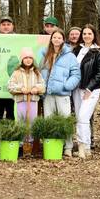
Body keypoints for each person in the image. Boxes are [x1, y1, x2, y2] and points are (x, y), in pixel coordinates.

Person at [40, 28, 81, 157]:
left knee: (65, 120)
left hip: (62, 94)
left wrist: (67, 86)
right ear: (51, 39)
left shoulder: (70, 55)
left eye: (59, 37)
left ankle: (68, 147)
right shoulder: (45, 54)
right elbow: (40, 71)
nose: (56, 39)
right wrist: (42, 87)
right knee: (49, 120)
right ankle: (52, 145)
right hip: (48, 94)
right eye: (54, 37)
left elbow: (76, 74)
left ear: (63, 39)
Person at [72, 24, 100, 158]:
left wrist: (89, 88)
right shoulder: (76, 50)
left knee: (83, 117)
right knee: (79, 118)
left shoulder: (98, 52)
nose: (87, 36)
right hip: (76, 88)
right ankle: (83, 147)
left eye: (89, 34)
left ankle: (84, 146)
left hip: (91, 90)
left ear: (94, 36)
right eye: (84, 34)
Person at [8, 47, 45, 136]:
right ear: (22, 59)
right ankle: (20, 144)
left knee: (31, 122)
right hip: (21, 101)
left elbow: (43, 85)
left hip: (32, 101)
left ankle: (30, 143)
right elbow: (10, 86)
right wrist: (20, 89)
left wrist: (36, 89)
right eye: (26, 58)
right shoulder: (16, 72)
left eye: (30, 58)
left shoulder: (36, 72)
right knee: (20, 121)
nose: (28, 60)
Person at [0, 15, 16, 122]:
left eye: (8, 24)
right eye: (3, 25)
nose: (6, 27)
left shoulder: (19, 39)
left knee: (11, 115)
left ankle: (10, 138)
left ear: (13, 26)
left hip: (14, 85)